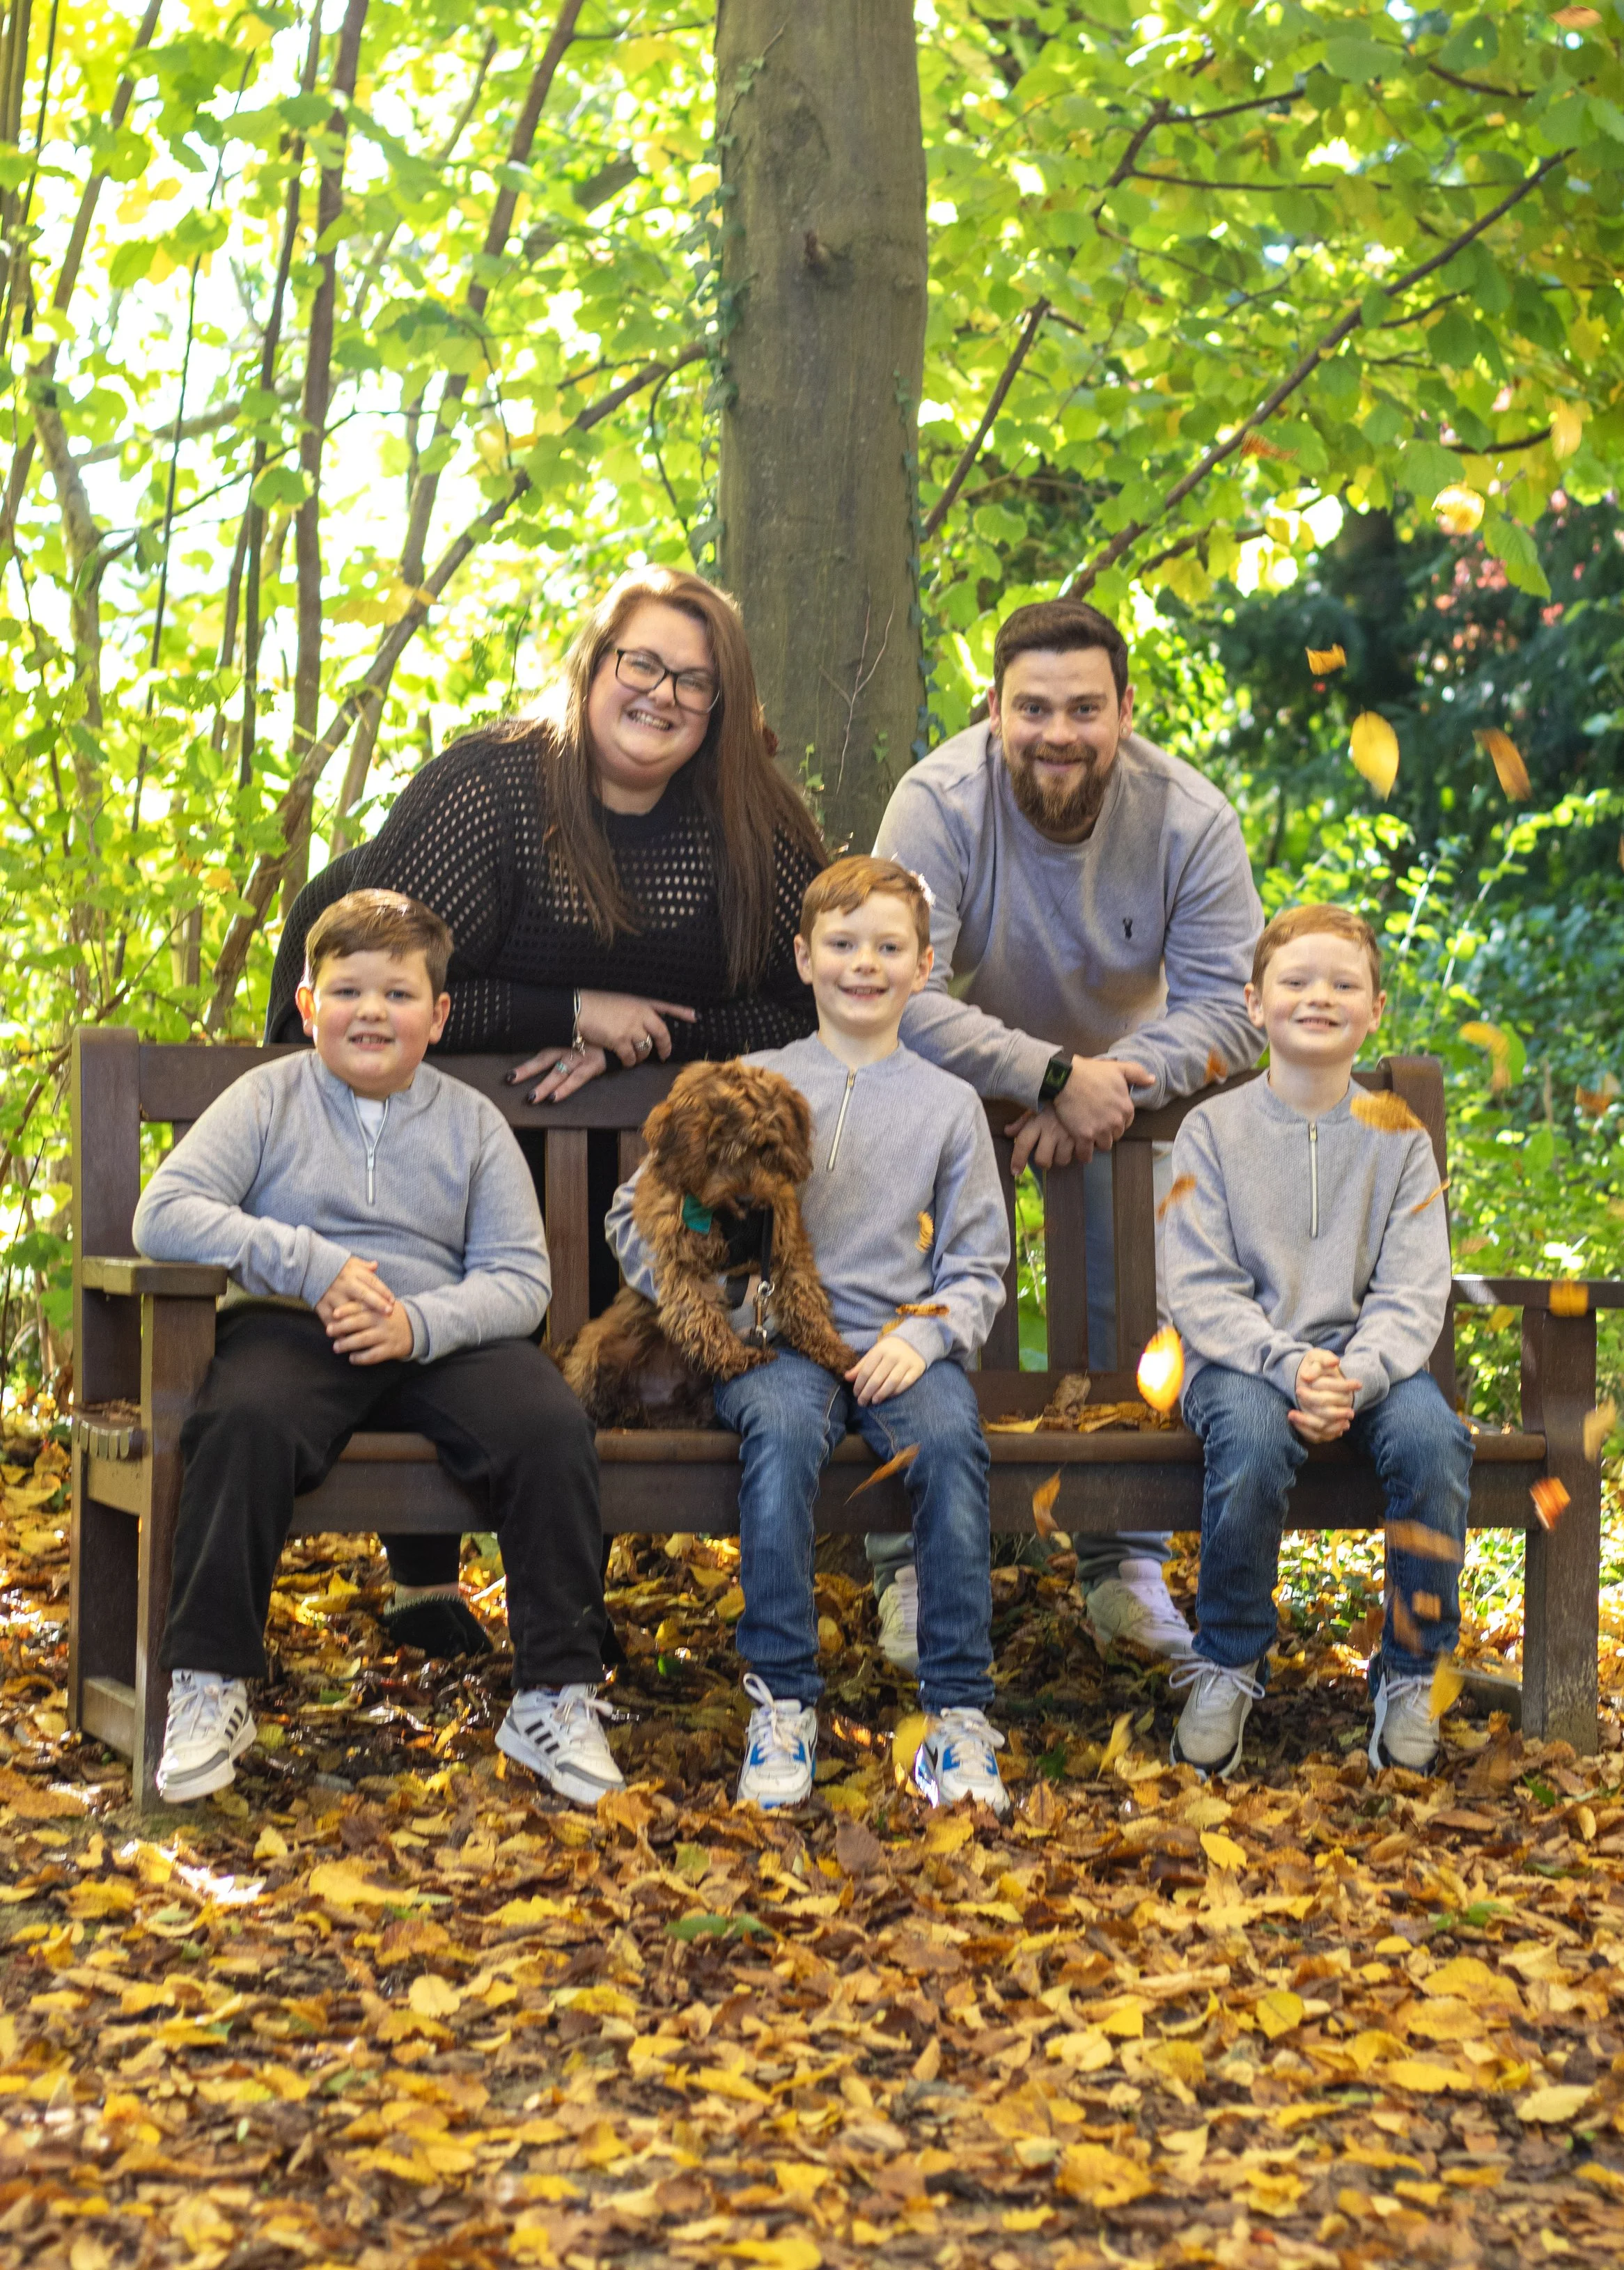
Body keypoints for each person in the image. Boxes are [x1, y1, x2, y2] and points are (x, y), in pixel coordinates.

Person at [265, 568, 827, 1655]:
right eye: (644, 665)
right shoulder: (495, 788)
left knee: (635, 1286)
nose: (663, 696)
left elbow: (811, 994)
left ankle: (568, 1598)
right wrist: (568, 1012)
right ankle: (425, 1583)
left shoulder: (748, 822)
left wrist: (649, 1041)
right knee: (445, 1263)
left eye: (696, 683)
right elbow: (381, 978)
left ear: (722, 708)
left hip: (638, 1150)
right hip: (449, 1106)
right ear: (596, 665)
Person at [136, 890, 623, 1808]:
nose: (370, 1011)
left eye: (397, 995)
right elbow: (166, 1213)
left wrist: (420, 1325)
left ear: (437, 1016)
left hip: (441, 1334)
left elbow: (521, 1280)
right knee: (243, 1420)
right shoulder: (268, 1099)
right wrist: (310, 1264)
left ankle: (556, 1696)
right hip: (295, 1323)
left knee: (551, 1427)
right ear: (309, 1006)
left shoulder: (472, 1122)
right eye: (347, 991)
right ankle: (210, 1683)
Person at [871, 597, 1263, 1670]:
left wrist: (1106, 1088)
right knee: (910, 1287)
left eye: (1085, 707)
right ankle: (909, 1563)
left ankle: (1123, 1564)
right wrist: (1042, 1074)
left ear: (1125, 711)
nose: (1059, 731)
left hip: (1121, 1108)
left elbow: (1235, 1007)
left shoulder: (1189, 816)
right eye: (1033, 707)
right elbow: (890, 985)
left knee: (1130, 1293)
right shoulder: (937, 801)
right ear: (992, 709)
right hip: (954, 1089)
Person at [606, 856, 1014, 1815]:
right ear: (803, 957)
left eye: (888, 948)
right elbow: (641, 1215)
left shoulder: (947, 1104)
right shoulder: (748, 1085)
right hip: (775, 1347)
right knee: (781, 1436)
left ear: (923, 968)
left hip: (900, 1344)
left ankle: (958, 1717)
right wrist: (728, 1301)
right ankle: (783, 1700)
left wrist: (933, 1336)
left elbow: (978, 1262)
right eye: (841, 945)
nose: (863, 965)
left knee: (951, 1445)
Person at [1164, 904, 1470, 1776]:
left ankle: (1411, 1669)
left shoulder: (1399, 1139)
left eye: (1343, 983)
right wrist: (1287, 1362)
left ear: (1375, 1008)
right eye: (1296, 981)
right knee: (1254, 1440)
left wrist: (1358, 1372)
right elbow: (1196, 1285)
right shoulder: (1210, 1132)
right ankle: (1228, 1658)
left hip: (1367, 1365)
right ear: (1255, 1004)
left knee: (1432, 1440)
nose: (1319, 996)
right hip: (1239, 1361)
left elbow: (1415, 1287)